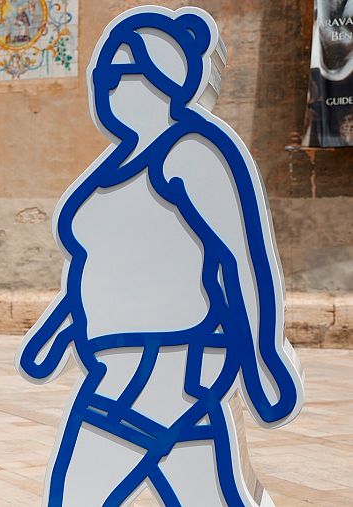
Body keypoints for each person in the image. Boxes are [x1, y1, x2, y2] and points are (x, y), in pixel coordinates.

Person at [16, 7, 303, 506]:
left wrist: (264, 357)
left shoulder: (190, 151)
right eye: (105, 74)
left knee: (80, 489)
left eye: (123, 73)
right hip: (127, 359)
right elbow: (101, 265)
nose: (108, 85)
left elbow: (240, 259)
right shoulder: (113, 165)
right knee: (208, 492)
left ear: (163, 78)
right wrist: (56, 332)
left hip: (166, 360)